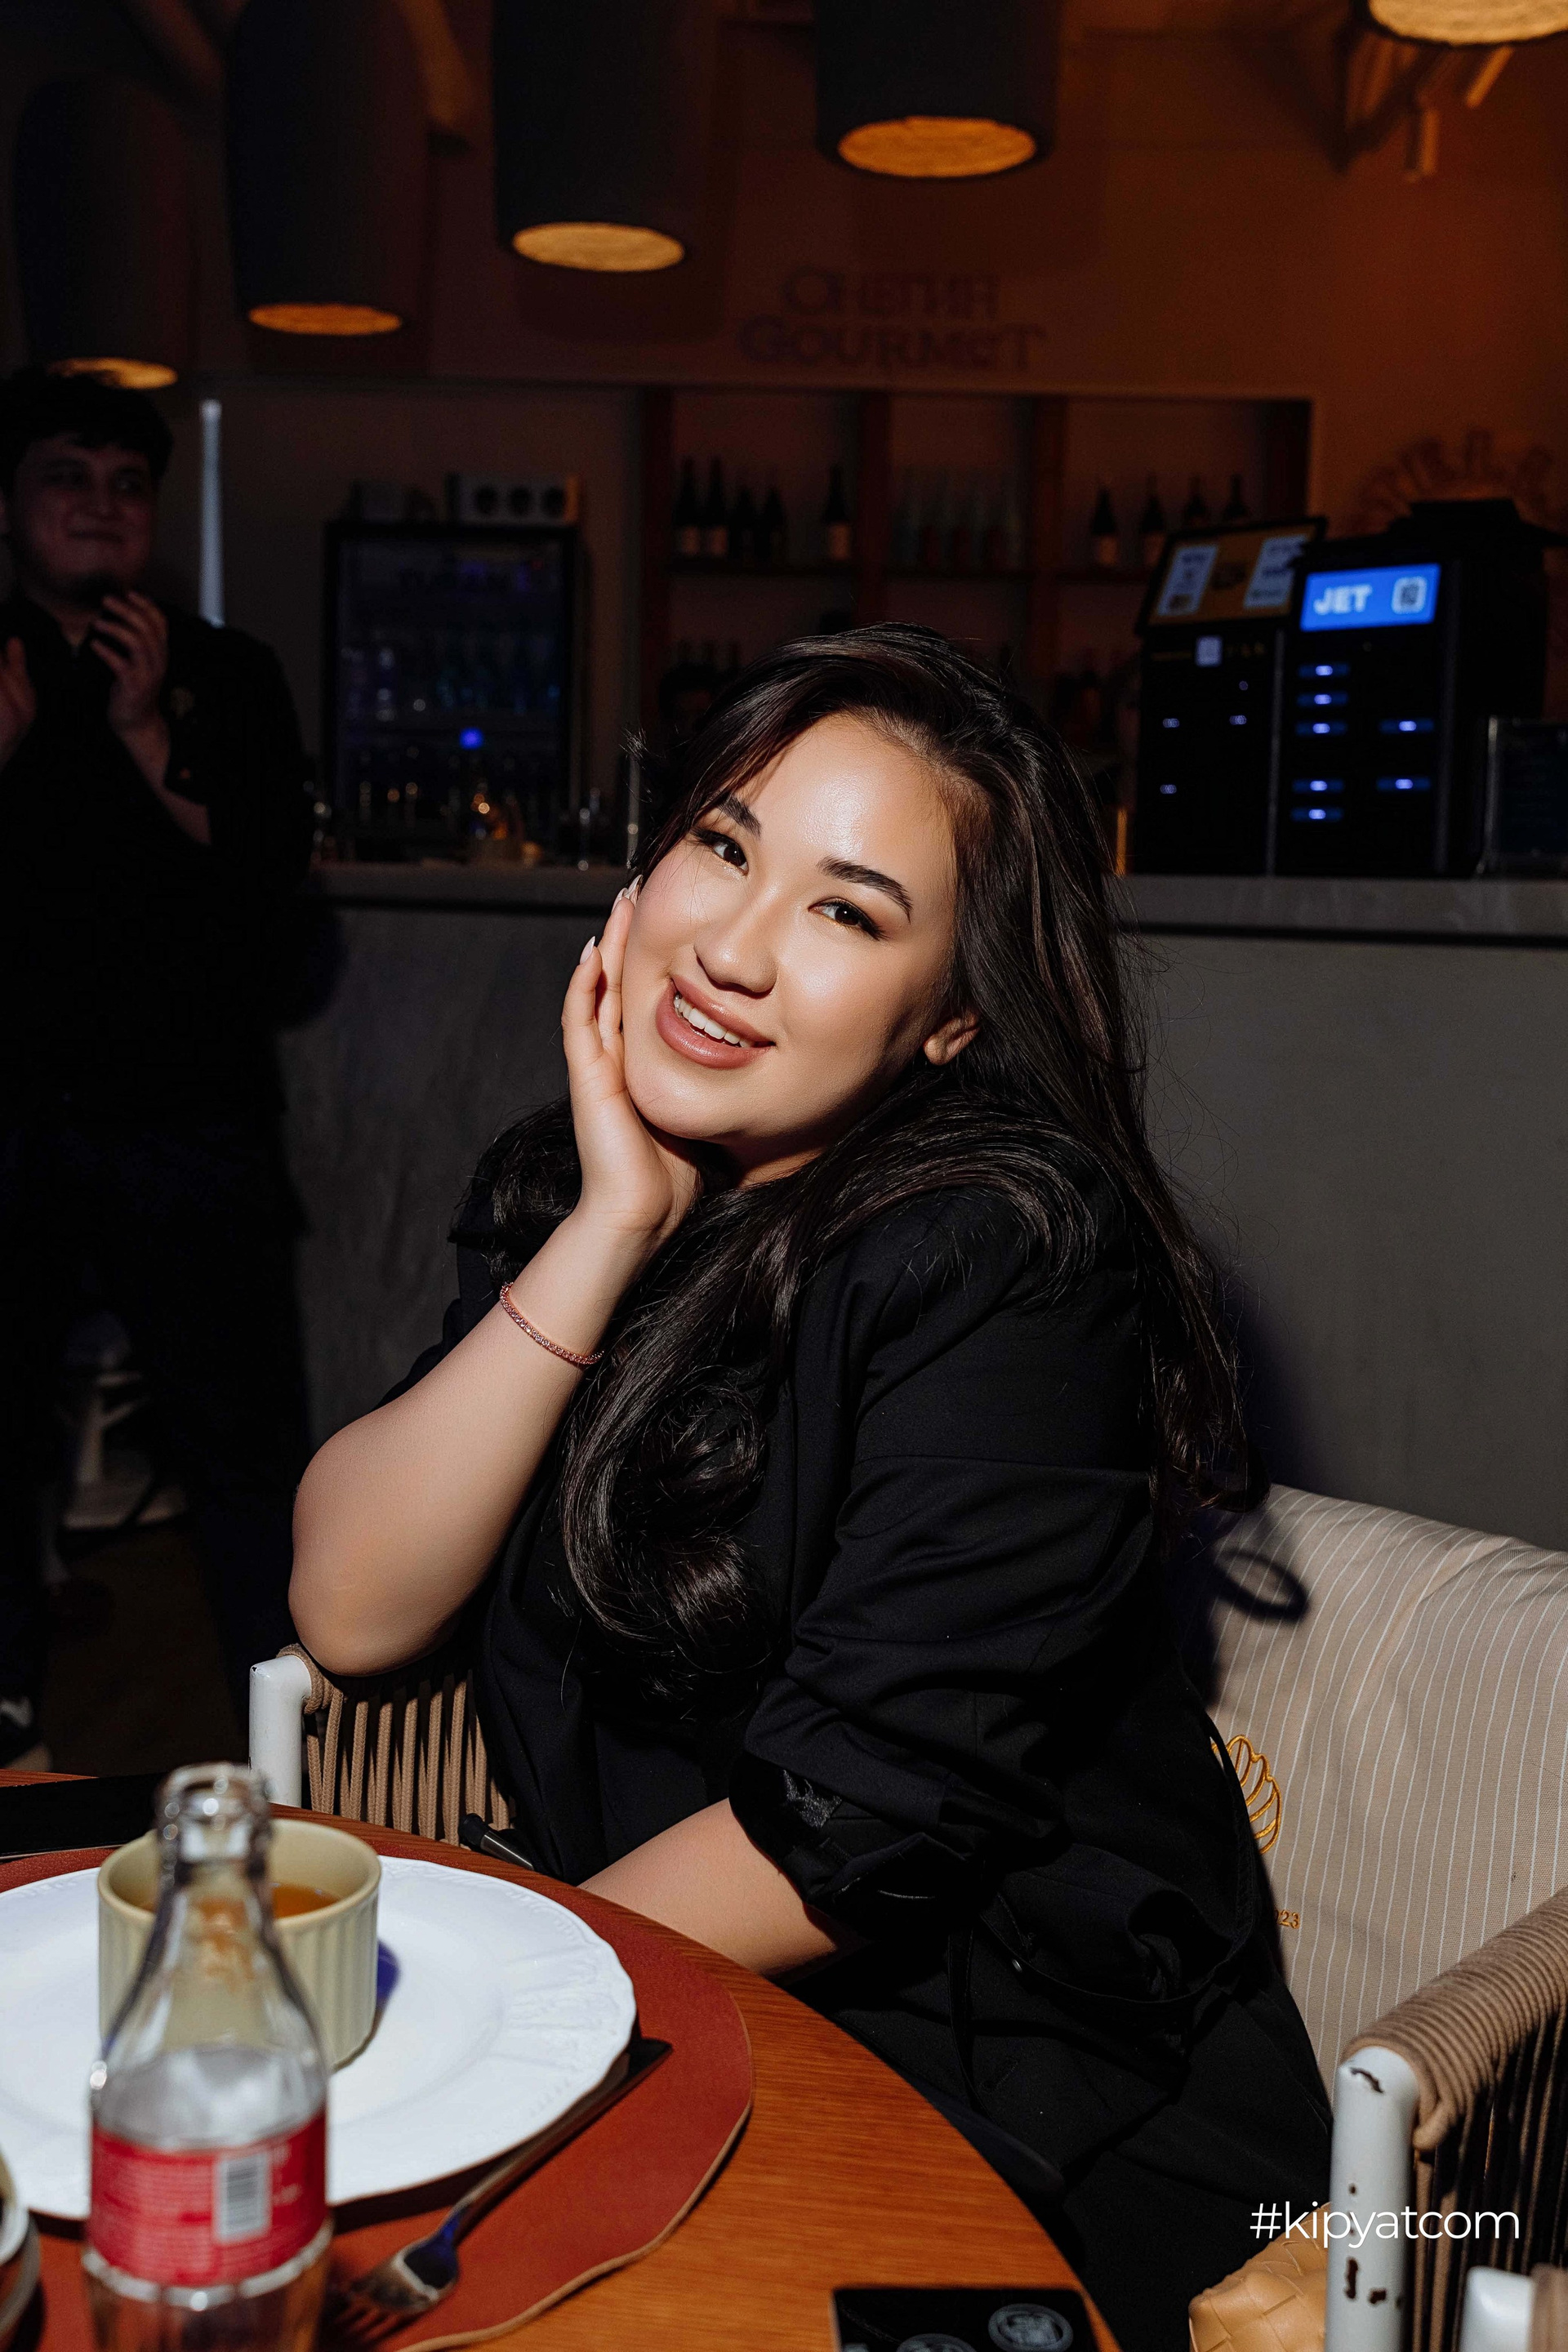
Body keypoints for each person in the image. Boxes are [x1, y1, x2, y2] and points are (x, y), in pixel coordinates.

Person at [291, 626, 1330, 2348]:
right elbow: (351, 1601)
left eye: (847, 913)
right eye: (725, 845)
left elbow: (850, 1826)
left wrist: (481, 2000)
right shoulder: (596, 1180)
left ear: (953, 1017)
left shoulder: (1010, 1254)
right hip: (666, 2014)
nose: (733, 948)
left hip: (993, 2085)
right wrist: (608, 1226)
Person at [0, 367, 313, 1762]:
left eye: (129, 484)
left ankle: (286, 1731)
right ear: (8, 504)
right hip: (10, 1117)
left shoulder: (226, 673)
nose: (101, 506)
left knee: (241, 1447)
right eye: (67, 477)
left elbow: (276, 899)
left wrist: (148, 739)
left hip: (187, 1122)